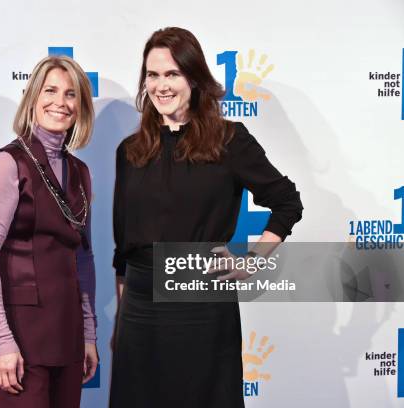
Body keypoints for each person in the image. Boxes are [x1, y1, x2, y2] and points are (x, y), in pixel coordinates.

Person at [109, 27, 303, 408]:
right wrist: (122, 319)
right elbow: (123, 248)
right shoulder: (130, 151)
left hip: (203, 303)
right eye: (152, 75)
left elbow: (286, 202)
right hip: (140, 308)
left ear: (194, 79)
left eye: (172, 74)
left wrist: (252, 261)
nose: (161, 85)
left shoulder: (229, 141)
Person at [0, 55, 99, 408]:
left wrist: (88, 334)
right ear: (32, 98)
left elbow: (83, 257)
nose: (61, 102)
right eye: (51, 90)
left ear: (81, 105)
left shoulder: (80, 172)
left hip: (67, 333)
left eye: (71, 94)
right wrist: (3, 341)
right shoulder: (5, 164)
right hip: (18, 335)